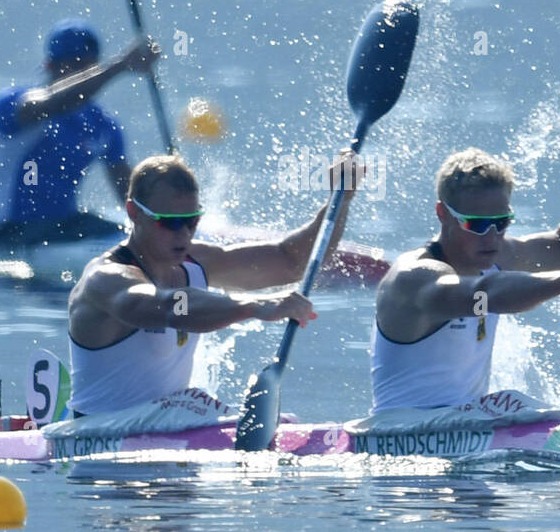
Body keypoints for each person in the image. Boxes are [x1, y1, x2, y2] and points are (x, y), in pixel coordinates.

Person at [66, 151, 361, 415]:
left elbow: (290, 261)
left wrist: (340, 200)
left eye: (192, 221)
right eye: (168, 222)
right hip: (99, 443)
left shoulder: (198, 260)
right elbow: (170, 308)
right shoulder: (105, 278)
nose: (183, 235)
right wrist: (252, 305)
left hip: (165, 430)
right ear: (133, 212)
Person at [370, 147, 560, 412]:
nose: (492, 237)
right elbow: (484, 295)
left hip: (464, 430)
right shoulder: (412, 278)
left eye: (502, 222)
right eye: (477, 225)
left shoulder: (496, 255)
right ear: (442, 214)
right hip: (401, 437)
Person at [0, 19, 156, 247]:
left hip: (67, 226)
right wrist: (119, 66)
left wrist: (163, 220)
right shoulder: (14, 105)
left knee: (128, 235)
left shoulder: (101, 124)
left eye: (87, 68)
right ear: (49, 66)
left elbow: (129, 195)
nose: (81, 76)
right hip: (12, 233)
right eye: (72, 67)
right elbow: (49, 104)